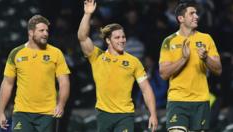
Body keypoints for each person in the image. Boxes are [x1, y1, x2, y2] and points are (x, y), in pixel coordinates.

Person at [77, 0, 158, 132]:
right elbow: (82, 37)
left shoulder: (133, 62)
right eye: (117, 37)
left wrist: (153, 114)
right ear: (108, 40)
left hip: (125, 115)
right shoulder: (97, 56)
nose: (122, 40)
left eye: (123, 37)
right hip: (103, 114)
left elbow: (146, 90)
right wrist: (87, 14)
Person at [0, 15, 70, 132]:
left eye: (47, 30)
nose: (46, 33)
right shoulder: (16, 53)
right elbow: (7, 83)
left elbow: (64, 82)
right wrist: (0, 112)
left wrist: (61, 104)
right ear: (31, 32)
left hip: (48, 113)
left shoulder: (56, 53)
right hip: (22, 113)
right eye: (41, 30)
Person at [159, 1, 222, 132]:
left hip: (201, 100)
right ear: (181, 18)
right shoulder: (168, 41)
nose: (196, 16)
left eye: (197, 13)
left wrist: (206, 58)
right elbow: (163, 74)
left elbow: (218, 70)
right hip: (177, 100)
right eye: (192, 13)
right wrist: (183, 59)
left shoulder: (206, 39)